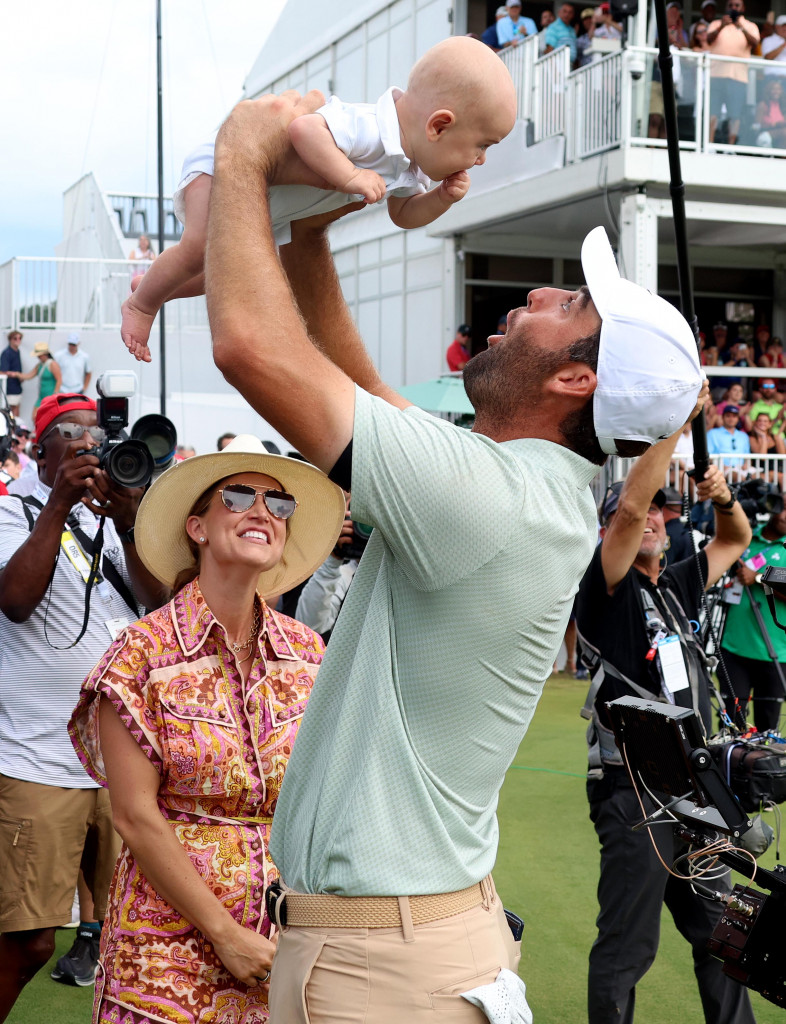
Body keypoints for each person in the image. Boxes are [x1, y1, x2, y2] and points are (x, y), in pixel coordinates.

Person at [203, 89, 704, 1022]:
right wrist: (309, 233)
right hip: (406, 947)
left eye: (570, 304)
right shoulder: (519, 485)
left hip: (381, 968)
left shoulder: (488, 496)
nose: (535, 298)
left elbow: (250, 347)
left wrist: (243, 147)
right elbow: (359, 384)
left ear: (574, 378)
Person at [68, 434, 345, 1024]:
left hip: (282, 935)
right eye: (239, 495)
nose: (262, 512)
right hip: (164, 942)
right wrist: (223, 931)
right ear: (196, 527)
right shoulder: (143, 654)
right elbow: (134, 816)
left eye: (280, 503)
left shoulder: (308, 653)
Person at [121, 37, 518, 363]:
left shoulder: (408, 169)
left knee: (222, 273)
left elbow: (403, 214)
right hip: (223, 165)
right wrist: (351, 175)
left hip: (261, 201)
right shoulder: (369, 127)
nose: (480, 159)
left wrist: (441, 199)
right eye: (482, 146)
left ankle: (154, 285)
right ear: (439, 126)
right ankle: (142, 305)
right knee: (195, 249)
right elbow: (305, 130)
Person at [576, 421, 754, 1024]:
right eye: (644, 510)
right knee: (628, 950)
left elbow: (736, 538)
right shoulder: (603, 587)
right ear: (608, 527)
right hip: (634, 793)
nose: (652, 517)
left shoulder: (676, 585)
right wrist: (674, 426)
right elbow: (627, 512)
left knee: (725, 942)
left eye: (664, 510)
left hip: (696, 794)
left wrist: (722, 495)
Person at [0, 393, 168, 1019]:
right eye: (69, 434)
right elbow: (15, 598)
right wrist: (60, 507)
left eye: (95, 435)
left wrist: (127, 519)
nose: (88, 445)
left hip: (120, 762)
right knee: (28, 942)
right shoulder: (15, 510)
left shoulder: (111, 517)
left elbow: (155, 603)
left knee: (131, 933)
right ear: (40, 453)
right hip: (37, 759)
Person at [720, 504, 786, 733]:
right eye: (783, 507)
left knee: (767, 730)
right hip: (734, 646)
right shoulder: (746, 535)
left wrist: (758, 577)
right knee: (730, 723)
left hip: (775, 652)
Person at [707, 0, 759, 145]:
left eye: (737, 5)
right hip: (716, 75)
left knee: (735, 114)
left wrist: (740, 27)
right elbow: (709, 40)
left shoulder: (750, 26)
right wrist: (722, 26)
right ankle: (709, 142)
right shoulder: (717, 24)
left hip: (738, 77)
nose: (733, 8)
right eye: (730, 5)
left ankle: (730, 146)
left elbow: (755, 44)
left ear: (743, 7)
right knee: (713, 111)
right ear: (726, 7)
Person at [7, 340, 61, 413]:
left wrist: (56, 393)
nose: (38, 357)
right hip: (42, 396)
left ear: (45, 354)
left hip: (51, 395)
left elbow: (59, 379)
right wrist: (16, 374)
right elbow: (29, 376)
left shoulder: (53, 364)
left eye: (40, 355)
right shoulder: (39, 365)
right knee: (35, 416)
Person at [707, 404, 751, 479]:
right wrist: (722, 466)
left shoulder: (744, 436)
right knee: (737, 477)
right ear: (722, 417)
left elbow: (747, 456)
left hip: (743, 470)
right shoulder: (712, 433)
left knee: (761, 478)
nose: (731, 419)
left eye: (734, 416)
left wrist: (746, 465)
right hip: (722, 470)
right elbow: (709, 455)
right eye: (728, 416)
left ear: (738, 419)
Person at [753, 76, 786, 148]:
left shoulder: (782, 106)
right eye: (773, 89)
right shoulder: (763, 105)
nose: (776, 92)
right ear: (768, 91)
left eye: (778, 89)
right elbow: (755, 127)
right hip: (764, 135)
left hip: (779, 137)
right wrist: (773, 124)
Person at [0, 331, 23, 418]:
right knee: (11, 408)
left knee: (16, 406)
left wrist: (20, 376)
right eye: (15, 338)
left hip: (17, 386)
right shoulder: (6, 353)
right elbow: (3, 371)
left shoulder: (17, 351)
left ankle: (16, 428)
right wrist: (16, 374)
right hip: (10, 387)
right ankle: (13, 428)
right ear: (10, 340)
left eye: (19, 338)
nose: (18, 340)